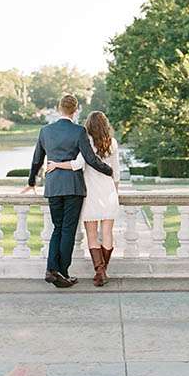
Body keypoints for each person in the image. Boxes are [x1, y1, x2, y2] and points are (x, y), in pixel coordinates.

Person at [23, 94, 113, 288]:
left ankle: (51, 269)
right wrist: (109, 170)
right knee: (68, 231)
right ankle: (61, 272)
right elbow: (90, 158)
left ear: (58, 108)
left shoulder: (45, 131)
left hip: (54, 185)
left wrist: (32, 182)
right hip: (73, 187)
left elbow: (37, 159)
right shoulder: (79, 131)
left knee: (58, 228)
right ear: (76, 109)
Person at [46, 111, 121, 287]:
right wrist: (115, 193)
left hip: (91, 194)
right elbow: (116, 172)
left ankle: (100, 270)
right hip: (109, 192)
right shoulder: (113, 144)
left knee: (92, 235)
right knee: (108, 234)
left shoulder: (86, 143)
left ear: (88, 125)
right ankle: (102, 271)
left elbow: (77, 165)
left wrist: (56, 164)